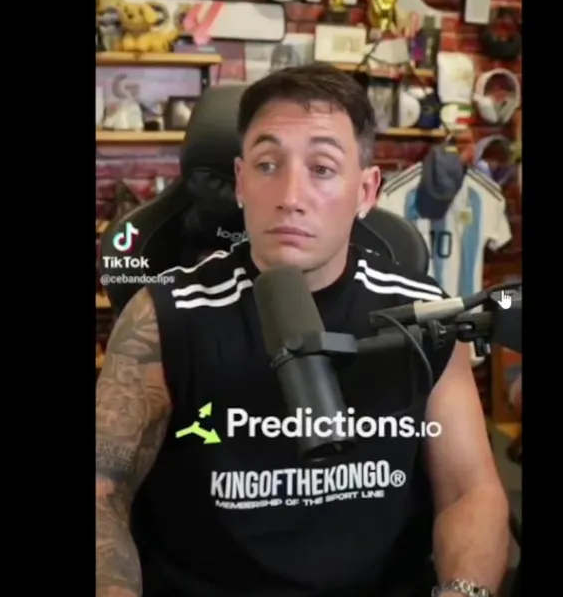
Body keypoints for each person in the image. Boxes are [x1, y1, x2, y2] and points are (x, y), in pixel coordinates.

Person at [95, 64, 509, 597]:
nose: (290, 195)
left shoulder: (423, 312)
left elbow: (469, 492)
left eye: (322, 168)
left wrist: (463, 592)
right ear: (240, 182)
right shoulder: (163, 315)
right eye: (268, 165)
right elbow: (103, 495)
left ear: (366, 191)